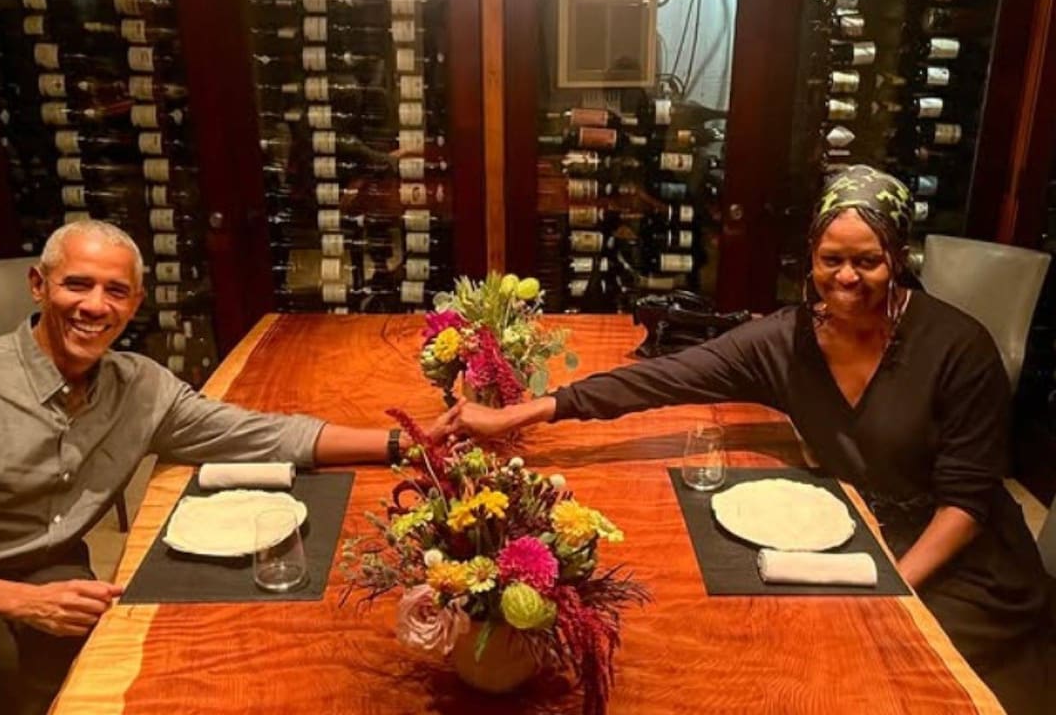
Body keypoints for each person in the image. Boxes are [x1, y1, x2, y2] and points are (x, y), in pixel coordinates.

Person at [447, 166, 1056, 714]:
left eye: (867, 261)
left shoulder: (958, 347)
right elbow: (662, 379)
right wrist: (520, 415)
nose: (846, 277)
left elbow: (967, 503)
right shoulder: (785, 340)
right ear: (810, 258)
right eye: (830, 260)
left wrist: (890, 590)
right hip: (856, 543)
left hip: (963, 573)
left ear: (897, 258)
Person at [0, 220, 437, 715]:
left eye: (115, 291)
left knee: (147, 663)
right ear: (39, 286)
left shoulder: (140, 386)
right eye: (76, 285)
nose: (94, 306)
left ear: (134, 303)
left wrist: (408, 441)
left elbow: (262, 434)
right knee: (11, 680)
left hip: (50, 576)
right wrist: (20, 602)